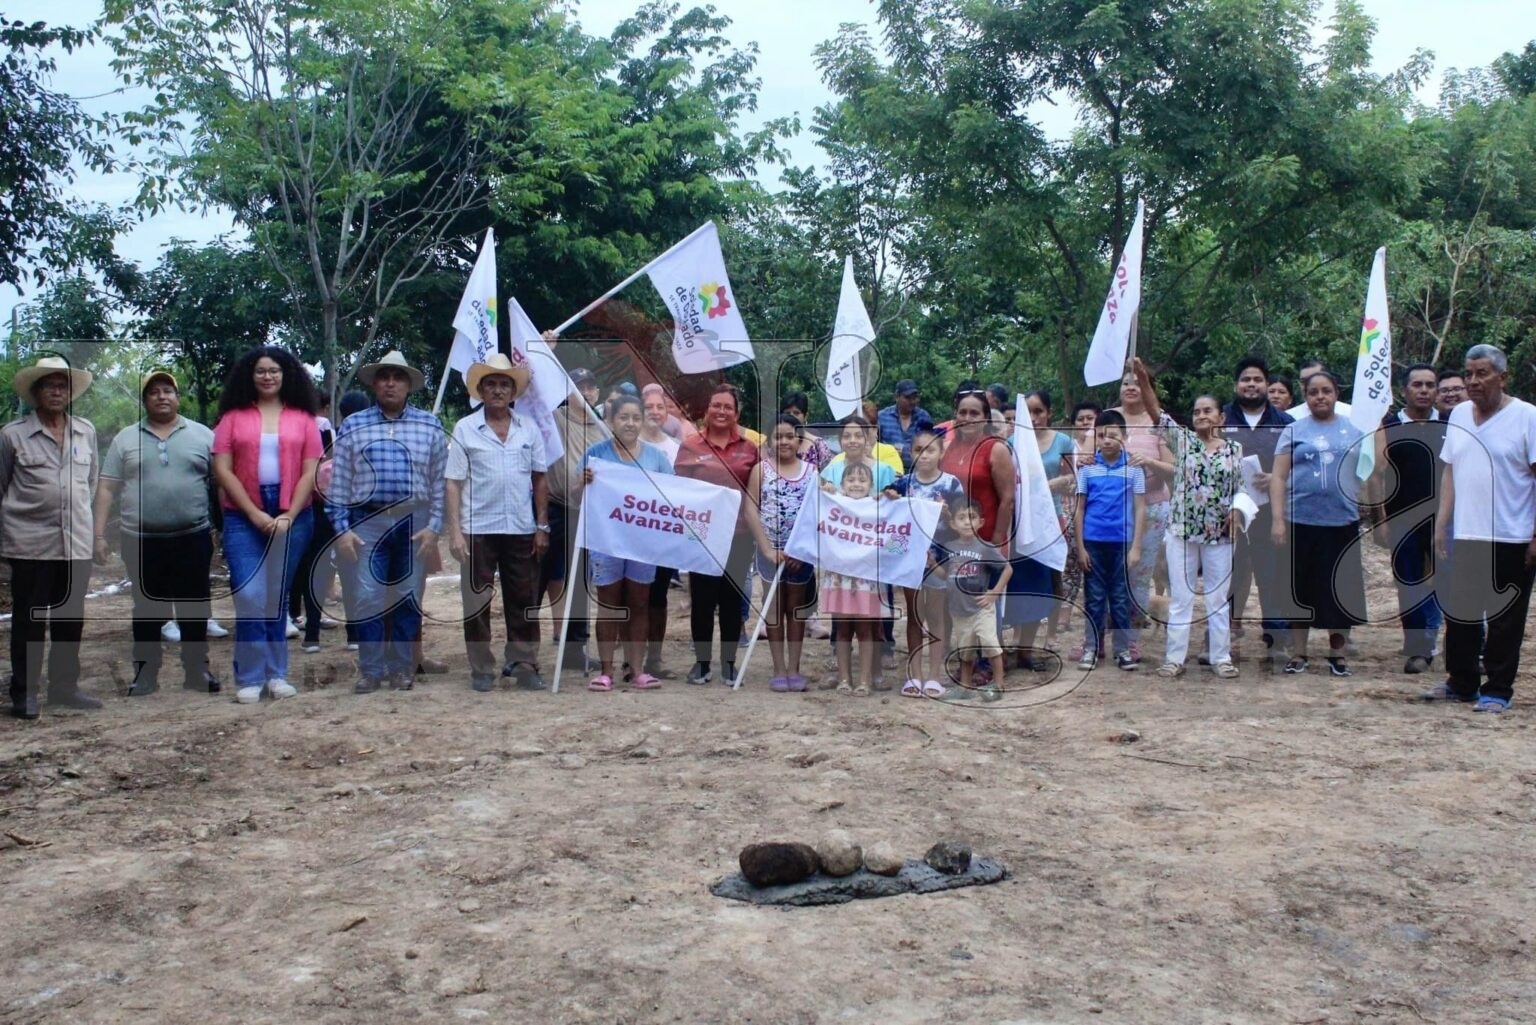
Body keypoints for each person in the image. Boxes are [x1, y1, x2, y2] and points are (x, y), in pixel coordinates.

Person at [93, 370, 220, 697]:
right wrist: (98, 535)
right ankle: (146, 675)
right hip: (140, 540)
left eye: (168, 391)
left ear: (178, 398)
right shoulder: (125, 439)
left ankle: (197, 671)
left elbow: (221, 485)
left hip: (192, 536)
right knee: (147, 609)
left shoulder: (203, 436)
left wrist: (224, 527)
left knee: (195, 608)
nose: (162, 396)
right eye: (154, 392)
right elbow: (107, 488)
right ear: (144, 400)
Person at [1428, 344, 1536, 713]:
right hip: (1468, 534)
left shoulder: (1527, 417)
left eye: (1482, 374)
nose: (1473, 381)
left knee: (1506, 619)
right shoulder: (1458, 414)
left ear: (1503, 377)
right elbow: (1451, 471)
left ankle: (1498, 690)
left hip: (1513, 535)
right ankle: (1461, 682)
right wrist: (1442, 522)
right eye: (1469, 373)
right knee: (1462, 613)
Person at [331, 350, 446, 694]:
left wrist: (435, 526)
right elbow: (339, 482)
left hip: (415, 520)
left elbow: (440, 481)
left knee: (407, 596)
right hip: (367, 522)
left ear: (409, 384)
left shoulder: (429, 425)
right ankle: (370, 670)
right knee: (367, 596)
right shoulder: (354, 425)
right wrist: (341, 529)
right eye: (384, 377)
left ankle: (401, 668)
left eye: (398, 377)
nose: (391, 383)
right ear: (375, 384)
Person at [211, 346, 321, 704]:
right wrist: (255, 513)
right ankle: (249, 676)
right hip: (243, 515)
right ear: (250, 375)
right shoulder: (232, 418)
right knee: (249, 594)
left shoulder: (304, 419)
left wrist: (289, 514)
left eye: (274, 370)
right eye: (261, 371)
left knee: (276, 595)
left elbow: (312, 470)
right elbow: (222, 470)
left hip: (294, 514)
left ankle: (276, 675)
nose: (268, 376)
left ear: (286, 375)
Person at [442, 353, 551, 693]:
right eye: (491, 384)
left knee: (524, 599)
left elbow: (540, 479)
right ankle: (481, 668)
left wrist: (541, 525)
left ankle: (524, 663)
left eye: (505, 384)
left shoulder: (528, 428)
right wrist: (455, 532)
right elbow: (453, 483)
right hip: (477, 529)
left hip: (520, 527)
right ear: (481, 390)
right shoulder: (464, 428)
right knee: (476, 601)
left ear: (513, 392)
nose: (499, 390)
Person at [2, 356, 102, 718]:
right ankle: (24, 693)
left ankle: (64, 687)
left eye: (62, 386)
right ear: (35, 393)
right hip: (29, 542)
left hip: (75, 543)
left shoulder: (85, 431)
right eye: (49, 385)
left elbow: (90, 483)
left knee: (70, 618)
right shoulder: (12, 435)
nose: (56, 392)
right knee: (29, 620)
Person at [1269, 370, 1366, 677]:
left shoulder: (1355, 429)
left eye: (1326, 391)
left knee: (1340, 592)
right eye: (1314, 392)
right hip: (1300, 522)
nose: (1320, 397)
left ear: (1336, 393)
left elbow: (1372, 469)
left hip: (1342, 523)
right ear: (1306, 396)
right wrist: (1277, 520)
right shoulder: (1294, 430)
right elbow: (1279, 477)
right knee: (1300, 589)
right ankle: (1299, 654)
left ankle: (1337, 656)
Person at [1144, 392, 1244, 679]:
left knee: (1217, 597)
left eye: (1208, 410)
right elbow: (1156, 413)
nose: (1201, 415)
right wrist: (1141, 377)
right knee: (1181, 597)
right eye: (1197, 411)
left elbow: (1241, 488)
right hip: (1182, 531)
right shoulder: (1183, 441)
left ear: (1221, 418)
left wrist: (1238, 510)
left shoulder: (1234, 449)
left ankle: (1221, 657)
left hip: (1220, 534)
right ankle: (1174, 658)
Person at [577, 393, 671, 692]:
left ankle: (638, 670)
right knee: (608, 604)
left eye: (635, 418)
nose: (630, 423)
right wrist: (583, 481)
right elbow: (575, 497)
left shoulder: (657, 458)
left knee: (640, 604)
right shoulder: (595, 456)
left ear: (643, 421)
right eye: (623, 417)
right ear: (610, 421)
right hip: (606, 541)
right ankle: (606, 671)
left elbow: (672, 497)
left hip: (643, 544)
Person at [674, 382, 759, 686]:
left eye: (728, 407)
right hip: (701, 537)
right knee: (702, 600)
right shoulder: (691, 446)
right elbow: (678, 491)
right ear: (707, 410)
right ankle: (701, 663)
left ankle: (729, 663)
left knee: (732, 599)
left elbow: (757, 491)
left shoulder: (750, 449)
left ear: (737, 413)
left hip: (739, 535)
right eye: (716, 406)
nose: (721, 411)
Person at [1364, 363, 1447, 674]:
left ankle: (1451, 644)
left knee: (1447, 582)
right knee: (1408, 584)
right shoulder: (1387, 426)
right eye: (1417, 385)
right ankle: (1418, 650)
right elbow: (1376, 476)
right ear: (1404, 390)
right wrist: (1379, 520)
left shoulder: (1450, 425)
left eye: (1429, 385)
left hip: (1444, 519)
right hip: (1402, 519)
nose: (1424, 390)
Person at [539, 332, 610, 676]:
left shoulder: (605, 430)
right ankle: (522, 652)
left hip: (589, 515)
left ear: (597, 392)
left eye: (590, 387)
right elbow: (534, 393)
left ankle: (574, 650)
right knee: (541, 579)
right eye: (577, 386)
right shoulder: (554, 419)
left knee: (581, 584)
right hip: (555, 509)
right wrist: (545, 353)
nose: (585, 391)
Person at [1223, 356, 1294, 661]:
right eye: (1245, 379)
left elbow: (1300, 467)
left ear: (1267, 384)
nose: (1251, 385)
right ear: (1236, 385)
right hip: (1227, 516)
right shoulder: (1220, 418)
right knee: (1226, 576)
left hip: (1270, 514)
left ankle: (1276, 639)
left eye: (1257, 380)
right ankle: (1220, 637)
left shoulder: (1286, 423)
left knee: (1272, 575)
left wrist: (1279, 478)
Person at [886, 428, 965, 694]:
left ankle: (934, 674)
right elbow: (884, 505)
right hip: (910, 560)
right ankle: (915, 673)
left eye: (931, 450)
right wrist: (889, 497)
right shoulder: (903, 483)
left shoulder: (952, 484)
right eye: (919, 450)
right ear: (911, 452)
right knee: (914, 615)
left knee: (937, 615)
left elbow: (962, 524)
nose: (925, 455)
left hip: (939, 560)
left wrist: (947, 517)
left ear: (942, 452)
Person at [1107, 363, 1176, 653]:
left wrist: (1148, 463)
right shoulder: (1107, 419)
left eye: (1138, 382)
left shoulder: (1158, 424)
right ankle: (1099, 637)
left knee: (1138, 575)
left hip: (1151, 510)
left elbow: (1174, 470)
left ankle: (1130, 640)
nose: (1131, 387)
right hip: (1109, 512)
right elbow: (1087, 456)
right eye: (1125, 383)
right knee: (1108, 573)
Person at [747, 415, 818, 693]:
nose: (785, 441)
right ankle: (778, 669)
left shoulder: (812, 472)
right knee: (774, 609)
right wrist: (766, 548)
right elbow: (751, 509)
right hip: (769, 552)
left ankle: (794, 669)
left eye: (790, 436)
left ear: (798, 440)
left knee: (796, 610)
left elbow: (817, 513)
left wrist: (803, 549)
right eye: (778, 436)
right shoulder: (760, 470)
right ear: (770, 440)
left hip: (800, 554)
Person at [1074, 410, 1145, 671]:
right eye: (1102, 435)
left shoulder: (1134, 468)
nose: (1107, 440)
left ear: (1124, 437)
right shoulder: (1088, 468)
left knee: (1120, 596)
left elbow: (1140, 508)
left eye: (1113, 435)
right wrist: (1080, 547)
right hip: (1093, 541)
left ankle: (1122, 650)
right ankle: (1091, 648)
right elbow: (1080, 508)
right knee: (1093, 597)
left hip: (1122, 543)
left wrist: (1136, 546)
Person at [1010, 390, 1076, 664]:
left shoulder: (1063, 441)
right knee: (1022, 578)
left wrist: (1045, 486)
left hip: (1052, 517)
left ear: (1049, 412)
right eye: (1030, 412)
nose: (1035, 417)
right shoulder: (1014, 441)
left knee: (1052, 577)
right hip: (1023, 520)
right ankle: (1018, 636)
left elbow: (1072, 479)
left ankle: (1050, 634)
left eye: (1039, 411)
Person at [819, 461, 892, 695]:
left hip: (866, 580)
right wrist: (828, 492)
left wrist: (887, 498)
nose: (857, 484)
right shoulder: (835, 502)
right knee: (842, 630)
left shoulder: (877, 506)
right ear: (842, 483)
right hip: (839, 579)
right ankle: (843, 679)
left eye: (862, 480)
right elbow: (816, 497)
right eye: (851, 480)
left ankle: (864, 680)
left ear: (871, 485)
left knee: (865, 630)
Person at [934, 496, 1011, 700]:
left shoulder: (985, 547)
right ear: (953, 523)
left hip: (980, 608)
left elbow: (1007, 569)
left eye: (972, 517)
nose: (967, 522)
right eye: (961, 518)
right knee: (965, 650)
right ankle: (965, 686)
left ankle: (999, 684)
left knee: (990, 644)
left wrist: (994, 592)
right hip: (958, 610)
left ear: (981, 522)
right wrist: (932, 563)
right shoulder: (949, 547)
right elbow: (944, 575)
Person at [1062, 400, 1101, 658]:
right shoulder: (1068, 447)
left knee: (1094, 570)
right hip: (1069, 510)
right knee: (1069, 567)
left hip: (1097, 514)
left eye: (1091, 418)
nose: (1086, 423)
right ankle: (1063, 616)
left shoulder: (1109, 448)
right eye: (1081, 419)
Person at [823, 415, 899, 490]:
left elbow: (894, 498)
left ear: (867, 439)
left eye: (859, 436)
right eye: (846, 436)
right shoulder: (830, 471)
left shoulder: (884, 471)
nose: (852, 440)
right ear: (840, 441)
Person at [877, 380, 934, 472]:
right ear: (896, 397)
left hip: (917, 470)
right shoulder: (882, 416)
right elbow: (874, 445)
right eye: (907, 398)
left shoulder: (924, 417)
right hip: (888, 469)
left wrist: (904, 451)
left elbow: (930, 446)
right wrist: (889, 450)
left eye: (915, 397)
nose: (912, 401)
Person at [1286, 359, 1353, 421]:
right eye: (1303, 381)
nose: (1308, 385)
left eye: (1313, 379)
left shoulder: (1350, 413)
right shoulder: (1289, 417)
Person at [779, 391, 833, 469]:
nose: (791, 417)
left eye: (796, 413)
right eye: (787, 413)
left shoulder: (818, 446)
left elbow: (828, 477)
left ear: (805, 416)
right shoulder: (772, 444)